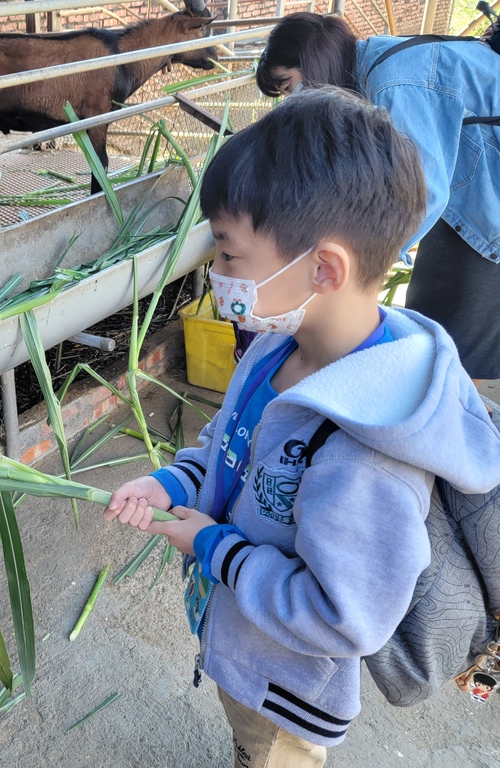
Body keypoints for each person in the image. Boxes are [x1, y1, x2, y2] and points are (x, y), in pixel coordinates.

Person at [103, 88, 500, 767]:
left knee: (269, 756)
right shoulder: (272, 347)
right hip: (241, 640)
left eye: (229, 255)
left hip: (285, 691)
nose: (217, 272)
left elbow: (344, 617)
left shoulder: (365, 458)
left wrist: (213, 548)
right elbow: (226, 445)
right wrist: (171, 481)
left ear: (323, 269)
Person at [253, 12, 500, 384]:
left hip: (483, 203)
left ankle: (456, 423)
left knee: (452, 347)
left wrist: (364, 268)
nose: (292, 101)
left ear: (315, 63)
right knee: (431, 326)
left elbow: (423, 191)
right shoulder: (375, 69)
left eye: (289, 86)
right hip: (467, 197)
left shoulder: (392, 81)